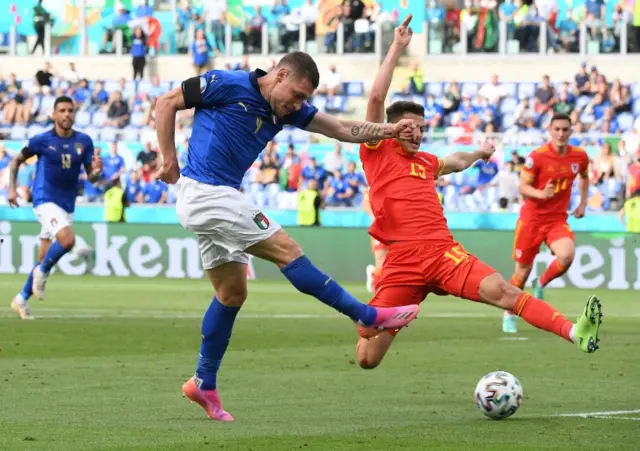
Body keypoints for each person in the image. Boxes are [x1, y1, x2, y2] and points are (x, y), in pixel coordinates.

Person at [154, 51, 420, 421]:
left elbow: (342, 129)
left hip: (217, 198)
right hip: (207, 193)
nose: (298, 104)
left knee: (232, 293)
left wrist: (389, 130)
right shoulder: (226, 84)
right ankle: (365, 315)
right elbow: (166, 102)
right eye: (296, 94)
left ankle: (204, 381)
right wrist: (168, 157)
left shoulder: (288, 111)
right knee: (287, 249)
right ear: (279, 75)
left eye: (304, 99)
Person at [353, 15, 602, 371]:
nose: (418, 134)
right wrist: (396, 47)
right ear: (393, 127)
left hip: (443, 254)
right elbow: (377, 95)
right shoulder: (376, 149)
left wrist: (479, 153)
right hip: (401, 264)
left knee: (506, 291)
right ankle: (398, 314)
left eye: (423, 128)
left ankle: (574, 331)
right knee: (367, 357)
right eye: (411, 127)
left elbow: (455, 160)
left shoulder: (425, 161)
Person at [7, 96, 102, 319]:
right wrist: (12, 189)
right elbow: (15, 161)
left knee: (44, 256)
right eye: (62, 110)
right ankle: (42, 272)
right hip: (44, 200)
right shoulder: (41, 140)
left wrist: (96, 172)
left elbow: (92, 177)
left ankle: (21, 299)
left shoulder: (84, 141)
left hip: (67, 204)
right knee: (67, 240)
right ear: (54, 114)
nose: (67, 114)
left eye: (70, 110)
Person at [503, 112, 589, 334]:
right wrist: (541, 195)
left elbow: (585, 177)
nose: (561, 133)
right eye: (557, 129)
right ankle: (510, 313)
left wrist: (582, 204)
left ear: (571, 131)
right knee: (521, 273)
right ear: (550, 131)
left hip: (556, 219)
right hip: (531, 220)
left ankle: (541, 283)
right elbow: (522, 187)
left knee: (567, 254)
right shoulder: (537, 157)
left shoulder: (579, 156)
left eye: (565, 129)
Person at [363, 188, 387, 294]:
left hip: (398, 227)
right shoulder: (374, 182)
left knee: (391, 262)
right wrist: (374, 217)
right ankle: (378, 297)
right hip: (380, 226)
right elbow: (365, 202)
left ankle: (374, 273)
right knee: (381, 260)